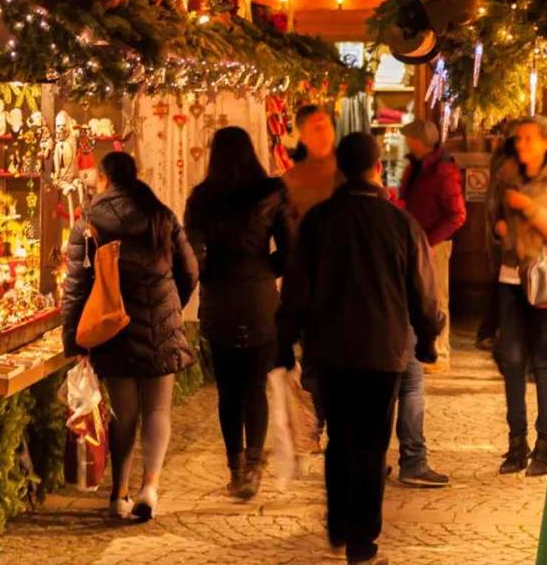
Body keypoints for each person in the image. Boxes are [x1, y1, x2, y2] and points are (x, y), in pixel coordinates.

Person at [277, 133, 443, 565]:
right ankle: (362, 542)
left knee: (339, 438)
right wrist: (428, 339)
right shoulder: (400, 223)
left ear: (340, 170)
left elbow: (296, 288)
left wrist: (285, 340)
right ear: (377, 169)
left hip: (330, 349)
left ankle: (339, 522)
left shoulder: (318, 222)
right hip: (383, 351)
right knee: (371, 445)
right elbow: (424, 291)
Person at [61, 151, 199, 521]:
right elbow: (189, 269)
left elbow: (76, 285)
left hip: (113, 325)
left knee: (124, 413)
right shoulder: (161, 215)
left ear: (104, 179)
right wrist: (172, 304)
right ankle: (149, 488)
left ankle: (118, 494)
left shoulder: (90, 221)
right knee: (157, 409)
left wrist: (74, 340)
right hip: (161, 322)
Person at [184, 127, 295, 499]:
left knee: (228, 389)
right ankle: (253, 466)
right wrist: (264, 269)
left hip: (220, 298)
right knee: (254, 387)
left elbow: (192, 255)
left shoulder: (202, 198)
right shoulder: (272, 193)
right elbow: (291, 250)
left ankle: (235, 470)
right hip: (259, 297)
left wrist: (208, 274)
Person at [493, 116, 547, 477]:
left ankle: (546, 443)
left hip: (546, 279)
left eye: (529, 139)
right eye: (519, 139)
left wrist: (529, 209)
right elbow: (494, 218)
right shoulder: (507, 173)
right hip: (510, 275)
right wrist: (500, 231)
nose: (522, 145)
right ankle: (516, 442)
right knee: (512, 360)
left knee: (543, 360)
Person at [280, 104, 342, 451]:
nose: (324, 132)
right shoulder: (293, 180)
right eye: (316, 127)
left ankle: (343, 428)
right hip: (312, 285)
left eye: (327, 125)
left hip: (350, 282)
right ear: (302, 135)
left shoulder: (349, 171)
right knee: (316, 361)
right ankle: (317, 425)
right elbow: (287, 237)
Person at [399, 120, 466, 373]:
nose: (407, 141)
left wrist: (429, 241)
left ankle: (440, 352)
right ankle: (423, 349)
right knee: (419, 294)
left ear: (421, 141)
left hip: (434, 244)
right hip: (418, 241)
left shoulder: (443, 172)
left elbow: (457, 215)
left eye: (410, 138)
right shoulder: (416, 168)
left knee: (436, 296)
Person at [478, 131, 519, 351]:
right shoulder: (507, 170)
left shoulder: (500, 165)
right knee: (501, 286)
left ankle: (490, 332)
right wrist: (499, 230)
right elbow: (496, 204)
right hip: (504, 238)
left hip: (500, 236)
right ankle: (490, 333)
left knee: (499, 285)